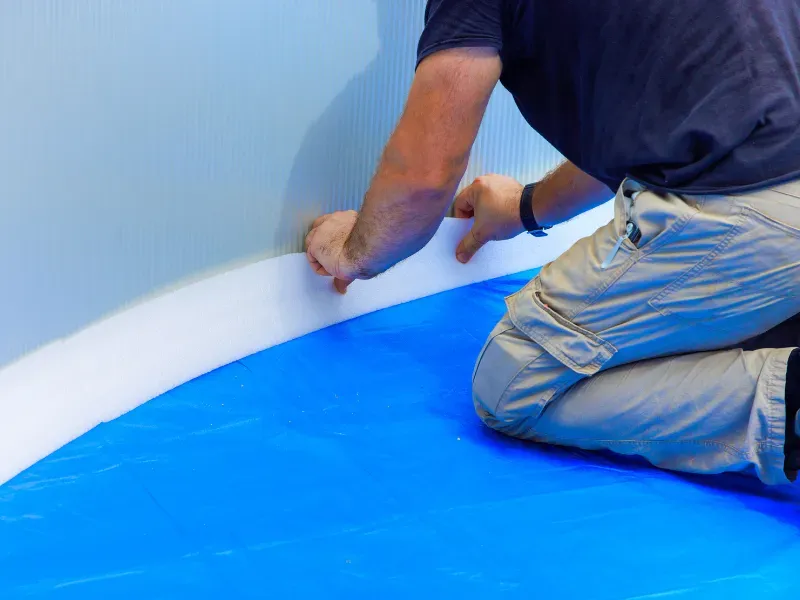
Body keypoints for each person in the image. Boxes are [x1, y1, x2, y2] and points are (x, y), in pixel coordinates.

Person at [305, 0, 800, 485]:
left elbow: (424, 178)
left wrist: (352, 252)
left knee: (512, 384)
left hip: (747, 206)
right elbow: (661, 116)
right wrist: (527, 206)